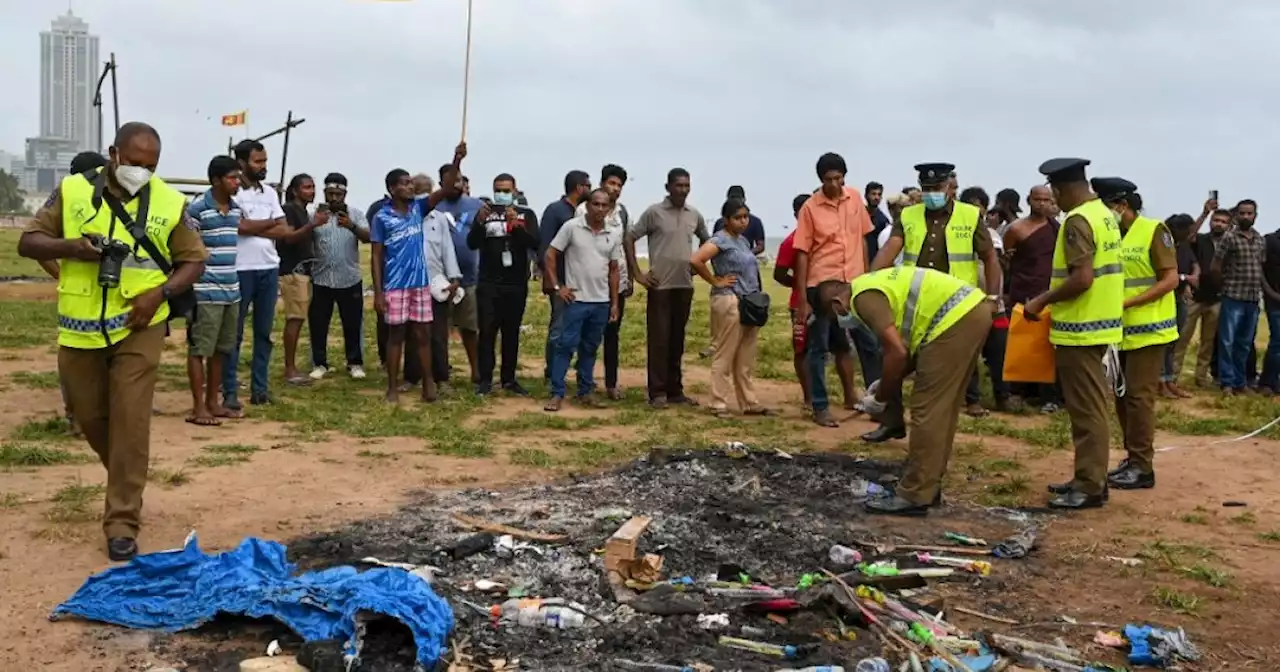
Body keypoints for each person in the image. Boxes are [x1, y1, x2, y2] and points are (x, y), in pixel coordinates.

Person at [18, 121, 207, 560]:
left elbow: (193, 260)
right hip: (79, 329)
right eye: (135, 162)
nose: (141, 172)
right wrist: (74, 248)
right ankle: (125, 474)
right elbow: (29, 242)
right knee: (91, 417)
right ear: (113, 154)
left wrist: (158, 294)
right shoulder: (72, 190)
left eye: (151, 165)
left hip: (139, 326)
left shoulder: (169, 201)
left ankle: (122, 519)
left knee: (131, 420)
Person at [846, 267, 990, 516]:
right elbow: (907, 353)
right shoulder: (873, 285)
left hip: (956, 318)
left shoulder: (862, 298)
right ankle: (927, 487)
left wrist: (879, 401)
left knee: (927, 410)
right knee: (942, 408)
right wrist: (886, 382)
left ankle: (915, 493)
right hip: (970, 311)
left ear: (838, 303)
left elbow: (898, 352)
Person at [1025, 158, 1124, 510]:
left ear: (1061, 189)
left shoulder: (1078, 221)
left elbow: (1082, 279)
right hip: (1102, 324)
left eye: (1054, 192)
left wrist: (1041, 300)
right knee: (1092, 406)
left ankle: (1090, 485)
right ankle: (1089, 476)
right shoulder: (1105, 216)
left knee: (1086, 411)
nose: (1054, 200)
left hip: (1081, 329)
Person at [873, 163, 1001, 420]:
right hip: (915, 302)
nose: (932, 193)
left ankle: (965, 403)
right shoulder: (908, 216)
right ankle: (891, 418)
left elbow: (990, 258)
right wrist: (869, 281)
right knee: (895, 355)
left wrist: (994, 297)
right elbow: (889, 250)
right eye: (926, 188)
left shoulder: (970, 215)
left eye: (937, 188)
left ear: (949, 188)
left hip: (957, 302)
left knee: (960, 355)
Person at [1093, 177, 1178, 490]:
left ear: (1122, 205)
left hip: (1149, 331)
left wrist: (1128, 302)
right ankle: (1133, 457)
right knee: (1122, 397)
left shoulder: (1154, 231)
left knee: (1139, 399)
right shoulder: (1111, 234)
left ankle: (1143, 468)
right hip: (1118, 332)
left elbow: (1170, 280)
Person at [792, 152, 876, 428]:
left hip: (853, 283)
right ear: (820, 180)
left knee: (867, 343)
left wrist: (866, 276)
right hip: (822, 285)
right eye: (829, 180)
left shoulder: (854, 200)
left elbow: (863, 239)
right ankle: (820, 406)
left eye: (839, 178)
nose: (834, 184)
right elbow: (802, 253)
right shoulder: (810, 209)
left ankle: (876, 400)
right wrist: (803, 298)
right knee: (818, 347)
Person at [627, 168, 711, 409]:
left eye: (686, 186)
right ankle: (657, 392)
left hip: (684, 285)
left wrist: (697, 265)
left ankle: (675, 391)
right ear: (668, 187)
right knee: (659, 339)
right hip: (660, 286)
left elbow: (708, 240)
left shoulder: (694, 214)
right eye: (678, 186)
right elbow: (630, 237)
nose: (683, 190)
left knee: (677, 339)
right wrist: (638, 274)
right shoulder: (654, 213)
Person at [775, 194, 862, 409]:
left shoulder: (828, 238)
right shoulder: (791, 242)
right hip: (804, 303)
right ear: (799, 214)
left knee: (842, 346)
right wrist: (799, 287)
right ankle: (810, 398)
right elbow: (779, 272)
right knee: (806, 350)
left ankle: (850, 396)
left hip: (834, 302)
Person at [691, 198, 771, 417]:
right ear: (726, 220)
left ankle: (749, 402)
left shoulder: (743, 242)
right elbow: (696, 260)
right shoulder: (720, 240)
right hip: (728, 299)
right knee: (725, 353)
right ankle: (718, 402)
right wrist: (715, 281)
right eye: (737, 217)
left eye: (745, 217)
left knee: (745, 356)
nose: (743, 221)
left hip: (748, 302)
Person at [543, 189, 621, 411]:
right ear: (587, 206)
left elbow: (614, 270)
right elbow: (550, 255)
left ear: (609, 208)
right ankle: (557, 393)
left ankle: (585, 391)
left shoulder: (612, 234)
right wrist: (558, 286)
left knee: (590, 347)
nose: (599, 209)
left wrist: (614, 303)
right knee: (565, 346)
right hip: (576, 300)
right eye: (595, 204)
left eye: (604, 205)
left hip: (600, 301)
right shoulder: (572, 227)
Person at [224, 139, 287, 409]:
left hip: (268, 268)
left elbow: (283, 229)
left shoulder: (270, 194)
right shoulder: (232, 193)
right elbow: (237, 226)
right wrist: (267, 223)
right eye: (257, 161)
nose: (263, 166)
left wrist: (254, 226)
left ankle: (259, 390)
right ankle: (229, 391)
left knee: (264, 332)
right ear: (241, 163)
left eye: (264, 161)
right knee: (233, 334)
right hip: (239, 269)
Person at [185, 156, 246, 427]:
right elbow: (187, 247)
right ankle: (198, 407)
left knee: (222, 350)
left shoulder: (235, 210)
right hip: (205, 291)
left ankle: (213, 402)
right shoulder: (197, 210)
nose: (238, 183)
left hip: (231, 290)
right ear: (216, 180)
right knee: (200, 349)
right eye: (233, 178)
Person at [371, 169, 438, 404]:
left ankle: (428, 383)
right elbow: (376, 256)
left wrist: (457, 160)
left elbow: (447, 189)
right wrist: (378, 292)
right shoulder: (381, 217)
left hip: (419, 283)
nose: (410, 187)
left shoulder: (418, 210)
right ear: (392, 189)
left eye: (411, 183)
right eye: (404, 184)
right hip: (395, 285)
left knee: (422, 334)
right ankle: (392, 387)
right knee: (396, 336)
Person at [469, 173, 539, 396]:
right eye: (498, 189)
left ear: (515, 191)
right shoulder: (485, 213)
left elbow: (534, 243)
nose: (502, 194)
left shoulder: (526, 214)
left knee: (511, 333)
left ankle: (508, 379)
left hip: (516, 283)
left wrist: (515, 226)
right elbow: (472, 243)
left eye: (506, 190)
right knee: (487, 333)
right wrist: (479, 223)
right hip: (488, 283)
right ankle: (485, 380)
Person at [575, 165, 632, 399]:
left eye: (619, 185)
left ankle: (611, 383)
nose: (615, 188)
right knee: (586, 335)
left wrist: (629, 280)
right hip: (589, 283)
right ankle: (583, 382)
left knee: (612, 334)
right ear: (602, 183)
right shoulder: (582, 211)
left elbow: (624, 245)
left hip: (616, 281)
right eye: (611, 183)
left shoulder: (622, 213)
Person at [1004, 185, 1062, 411]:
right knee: (1023, 343)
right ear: (1029, 200)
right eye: (1037, 199)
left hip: (1049, 292)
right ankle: (1019, 391)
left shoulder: (1057, 229)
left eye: (1046, 200)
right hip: (1024, 291)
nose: (1042, 204)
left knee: (1048, 346)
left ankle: (1049, 396)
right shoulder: (1016, 229)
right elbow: (1007, 261)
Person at [308, 173, 371, 380]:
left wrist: (351, 225)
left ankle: (354, 362)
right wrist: (314, 223)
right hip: (321, 279)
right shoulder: (315, 215)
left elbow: (369, 238)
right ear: (324, 193)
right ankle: (319, 363)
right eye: (330, 194)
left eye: (338, 194)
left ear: (345, 194)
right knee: (318, 324)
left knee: (353, 323)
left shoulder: (356, 214)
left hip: (349, 278)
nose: (334, 198)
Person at [957, 186, 1011, 414]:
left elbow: (997, 265)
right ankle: (972, 400)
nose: (975, 209)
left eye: (978, 205)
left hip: (994, 303)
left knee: (999, 350)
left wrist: (996, 296)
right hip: (967, 303)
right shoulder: (957, 234)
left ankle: (1003, 396)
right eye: (969, 204)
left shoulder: (993, 236)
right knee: (969, 353)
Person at [432, 159, 483, 391]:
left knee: (470, 328)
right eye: (452, 180)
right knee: (439, 331)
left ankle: (477, 371)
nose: (457, 184)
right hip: (439, 281)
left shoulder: (476, 205)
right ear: (442, 183)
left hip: (469, 277)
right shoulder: (433, 206)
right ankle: (441, 376)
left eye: (461, 179)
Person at [539, 170, 593, 383]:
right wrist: (550, 280)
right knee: (558, 328)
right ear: (579, 187)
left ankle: (580, 372)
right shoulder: (555, 211)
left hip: (582, 281)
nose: (590, 189)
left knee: (581, 329)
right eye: (588, 186)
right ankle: (552, 371)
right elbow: (545, 246)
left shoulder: (586, 212)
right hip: (560, 279)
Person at [1211, 199, 1264, 395]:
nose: (1245, 217)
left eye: (1249, 214)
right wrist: (1222, 286)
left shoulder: (1259, 239)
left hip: (1252, 298)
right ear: (1237, 216)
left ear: (1255, 216)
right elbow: (1216, 265)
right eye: (1242, 213)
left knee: (1244, 343)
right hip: (1232, 296)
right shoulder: (1229, 238)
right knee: (1227, 341)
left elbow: (1261, 267)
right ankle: (1227, 383)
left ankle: (1241, 383)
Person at [1173, 207, 1229, 387]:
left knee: (1208, 341)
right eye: (1216, 220)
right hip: (1195, 297)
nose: (1219, 224)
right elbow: (1189, 235)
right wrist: (1205, 213)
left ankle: (1201, 378)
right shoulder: (1201, 240)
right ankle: (1172, 377)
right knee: (1182, 338)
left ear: (1228, 225)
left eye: (1223, 221)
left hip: (1217, 299)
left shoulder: (1230, 243)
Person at [278, 174, 322, 385]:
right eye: (306, 187)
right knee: (294, 319)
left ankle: (291, 366)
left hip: (302, 272)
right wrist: (313, 225)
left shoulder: (302, 211)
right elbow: (289, 237)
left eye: (313, 187)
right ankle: (290, 369)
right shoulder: (289, 210)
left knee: (298, 318)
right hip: (293, 271)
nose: (311, 191)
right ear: (295, 191)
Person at [1162, 214, 1198, 398]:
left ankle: (1169, 381)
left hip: (1179, 298)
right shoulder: (1163, 244)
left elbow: (1194, 263)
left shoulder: (1183, 245)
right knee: (1164, 342)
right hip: (1164, 299)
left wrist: (1193, 277)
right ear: (1177, 229)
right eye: (1188, 230)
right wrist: (1186, 278)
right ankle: (1161, 382)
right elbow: (1163, 273)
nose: (1191, 233)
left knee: (1174, 341)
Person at [712, 185, 766, 256]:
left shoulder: (755, 222)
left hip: (746, 262)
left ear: (744, 199)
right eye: (732, 198)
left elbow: (761, 246)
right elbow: (713, 244)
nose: (735, 201)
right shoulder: (720, 222)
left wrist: (746, 255)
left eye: (738, 198)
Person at [1261, 224, 1280, 394]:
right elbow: (1260, 270)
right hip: (1275, 300)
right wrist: (1271, 293)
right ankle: (1267, 382)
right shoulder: (1270, 240)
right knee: (1277, 341)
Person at [864, 182, 890, 262]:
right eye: (873, 194)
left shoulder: (883, 220)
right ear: (866, 195)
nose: (876, 197)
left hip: (874, 260)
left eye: (879, 194)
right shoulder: (858, 214)